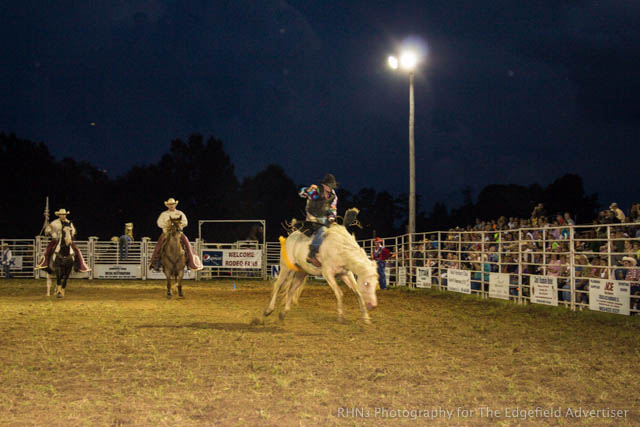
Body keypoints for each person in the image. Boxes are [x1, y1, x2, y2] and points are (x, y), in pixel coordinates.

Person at [149, 198, 203, 272]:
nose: (171, 206)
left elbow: (185, 222)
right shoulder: (164, 214)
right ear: (167, 206)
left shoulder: (180, 213)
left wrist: (179, 225)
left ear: (175, 205)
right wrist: (167, 225)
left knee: (187, 244)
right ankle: (155, 264)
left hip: (178, 232)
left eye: (172, 204)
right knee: (159, 245)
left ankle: (190, 264)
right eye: (170, 205)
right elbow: (159, 223)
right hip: (166, 233)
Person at [298, 173, 338, 267]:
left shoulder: (334, 196)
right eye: (329, 185)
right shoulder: (316, 191)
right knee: (323, 230)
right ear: (324, 185)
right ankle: (312, 254)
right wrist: (307, 190)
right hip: (312, 218)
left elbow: (333, 208)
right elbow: (301, 193)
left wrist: (332, 218)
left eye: (332, 186)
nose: (330, 187)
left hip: (324, 218)